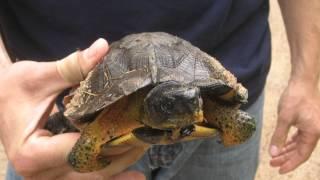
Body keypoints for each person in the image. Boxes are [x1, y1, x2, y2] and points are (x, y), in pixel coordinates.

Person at [0, 0, 319, 180]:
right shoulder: (117, 114)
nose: (191, 107)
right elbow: (87, 144)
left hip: (232, 54)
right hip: (45, 118)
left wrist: (307, 78)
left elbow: (238, 124)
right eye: (173, 105)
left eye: (191, 103)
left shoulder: (201, 103)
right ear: (151, 105)